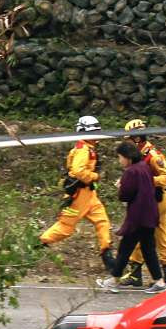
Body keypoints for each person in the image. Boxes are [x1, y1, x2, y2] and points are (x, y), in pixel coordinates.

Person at [39, 115, 116, 272]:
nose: (96, 136)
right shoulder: (82, 150)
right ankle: (37, 244)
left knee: (102, 222)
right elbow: (78, 170)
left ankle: (107, 253)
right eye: (93, 132)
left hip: (89, 194)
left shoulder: (88, 148)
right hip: (78, 196)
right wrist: (95, 176)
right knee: (65, 227)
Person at [116, 118, 166, 288]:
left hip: (157, 199)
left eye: (128, 138)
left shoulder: (152, 155)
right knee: (156, 236)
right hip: (150, 199)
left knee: (143, 235)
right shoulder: (137, 155)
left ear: (136, 139)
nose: (126, 142)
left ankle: (140, 273)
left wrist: (146, 181)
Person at [96, 141, 166, 293]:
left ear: (127, 157)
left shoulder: (131, 171)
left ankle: (114, 280)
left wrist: (120, 187)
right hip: (150, 213)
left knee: (125, 248)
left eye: (120, 157)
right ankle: (159, 282)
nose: (119, 160)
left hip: (137, 216)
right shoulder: (145, 168)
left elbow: (125, 195)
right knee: (148, 249)